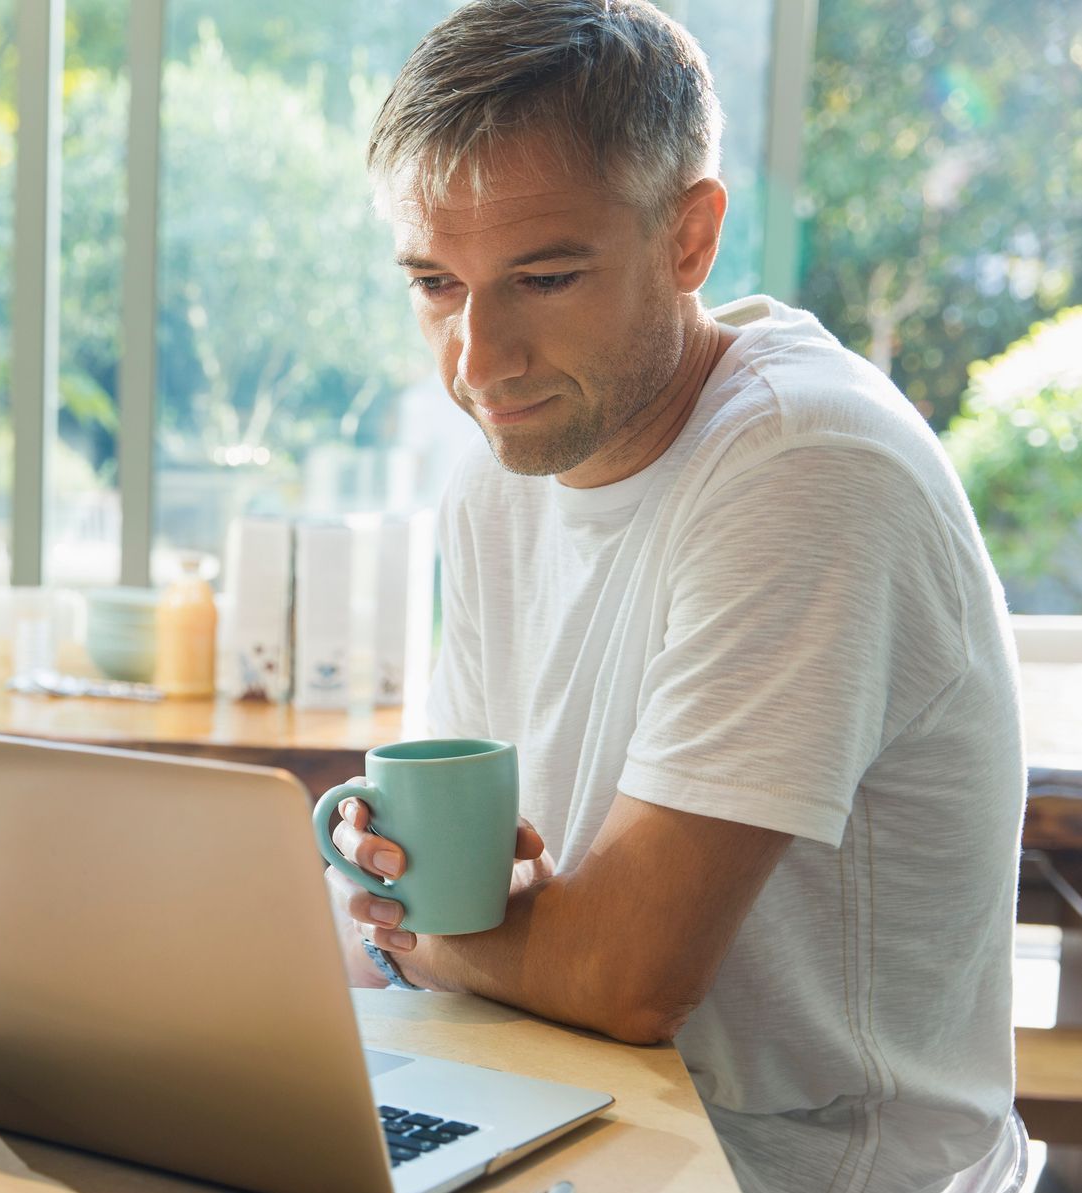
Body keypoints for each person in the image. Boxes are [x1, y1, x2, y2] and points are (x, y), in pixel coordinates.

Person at [324, 2, 1029, 1190]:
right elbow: (483, 893)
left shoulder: (809, 466)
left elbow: (624, 977)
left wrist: (417, 935)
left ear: (691, 235)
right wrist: (407, 897)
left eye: (543, 277)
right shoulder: (503, 469)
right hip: (572, 1112)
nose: (478, 361)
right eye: (437, 283)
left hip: (805, 1172)